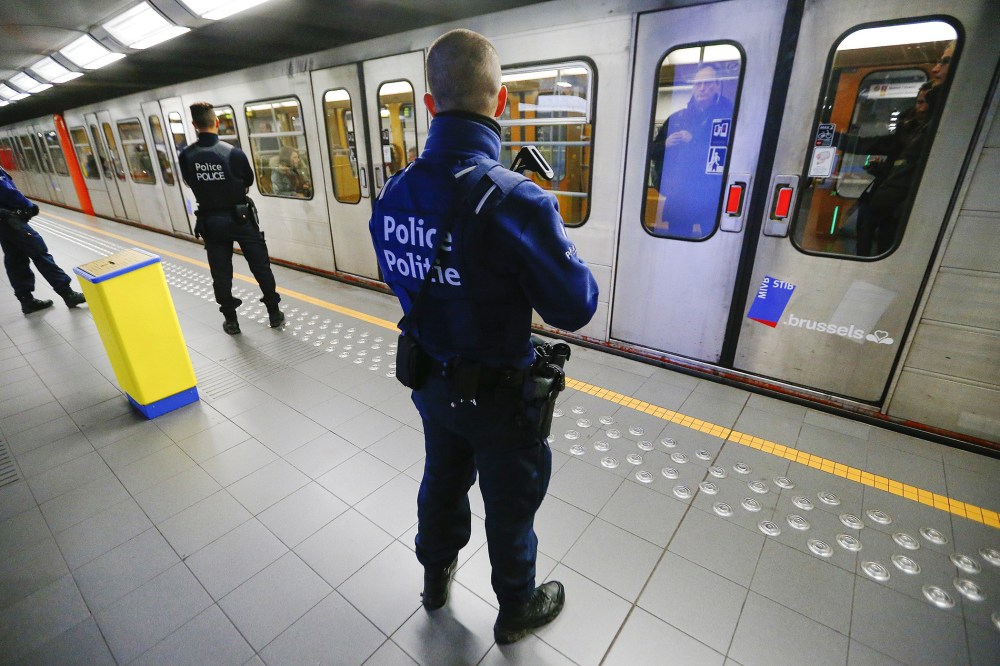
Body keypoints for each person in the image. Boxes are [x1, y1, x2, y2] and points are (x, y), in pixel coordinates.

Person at [369, 29, 598, 644]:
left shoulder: (393, 194)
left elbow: (403, 276)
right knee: (509, 502)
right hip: (500, 395)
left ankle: (435, 577)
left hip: (431, 380)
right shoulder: (517, 201)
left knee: (442, 477)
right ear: (499, 103)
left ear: (428, 103)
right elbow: (575, 307)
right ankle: (516, 608)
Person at [178, 102, 283, 334]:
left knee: (221, 272)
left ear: (195, 125)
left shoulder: (186, 156)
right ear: (216, 122)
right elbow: (248, 181)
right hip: (241, 218)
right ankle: (274, 314)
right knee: (260, 266)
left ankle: (231, 320)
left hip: (210, 222)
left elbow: (189, 181)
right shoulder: (233, 153)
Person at [648, 63, 733, 236]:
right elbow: (651, 152)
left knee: (712, 242)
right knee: (677, 239)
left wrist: (694, 141)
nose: (703, 88)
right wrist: (666, 143)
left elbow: (730, 154)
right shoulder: (677, 118)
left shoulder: (729, 116)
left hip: (711, 194)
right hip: (680, 195)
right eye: (698, 84)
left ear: (717, 85)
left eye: (708, 83)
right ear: (693, 87)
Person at [0, 165, 86, 314]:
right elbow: (5, 190)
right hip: (9, 219)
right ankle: (67, 293)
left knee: (15, 259)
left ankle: (26, 300)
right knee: (39, 252)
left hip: (3, 222)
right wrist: (28, 205)